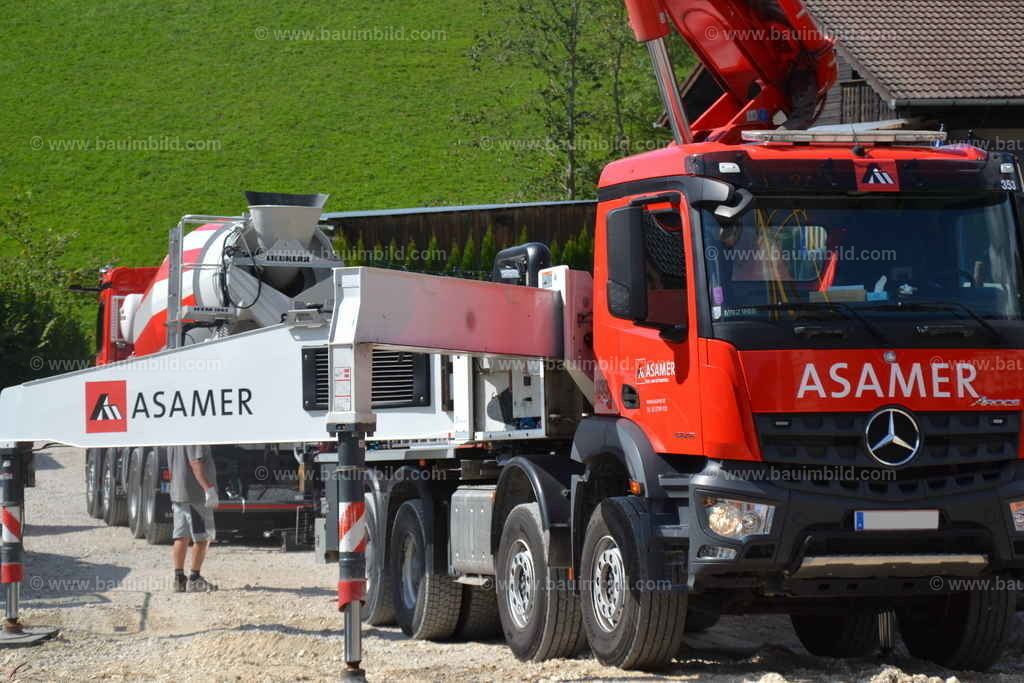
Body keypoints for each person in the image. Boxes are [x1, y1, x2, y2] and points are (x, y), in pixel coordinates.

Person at [169, 445, 219, 592]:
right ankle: (195, 578)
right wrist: (208, 489)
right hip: (195, 495)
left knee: (181, 536)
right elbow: (196, 463)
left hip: (178, 493)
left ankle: (179, 579)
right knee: (202, 538)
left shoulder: (174, 435)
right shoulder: (196, 435)